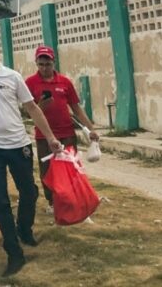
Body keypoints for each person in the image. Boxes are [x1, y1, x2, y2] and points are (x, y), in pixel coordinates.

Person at [0, 34, 62, 277]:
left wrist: (50, 137)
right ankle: (14, 251)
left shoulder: (13, 77)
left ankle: (24, 229)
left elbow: (32, 108)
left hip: (19, 145)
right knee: (0, 199)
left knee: (29, 191)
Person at [25, 45, 99, 213]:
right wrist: (40, 107)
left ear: (53, 62)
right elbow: (28, 112)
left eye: (48, 64)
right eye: (41, 64)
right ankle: (53, 202)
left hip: (66, 133)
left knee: (71, 168)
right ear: (36, 63)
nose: (44, 68)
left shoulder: (65, 82)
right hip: (44, 136)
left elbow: (76, 108)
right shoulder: (30, 83)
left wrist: (91, 128)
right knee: (48, 171)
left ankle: (73, 199)